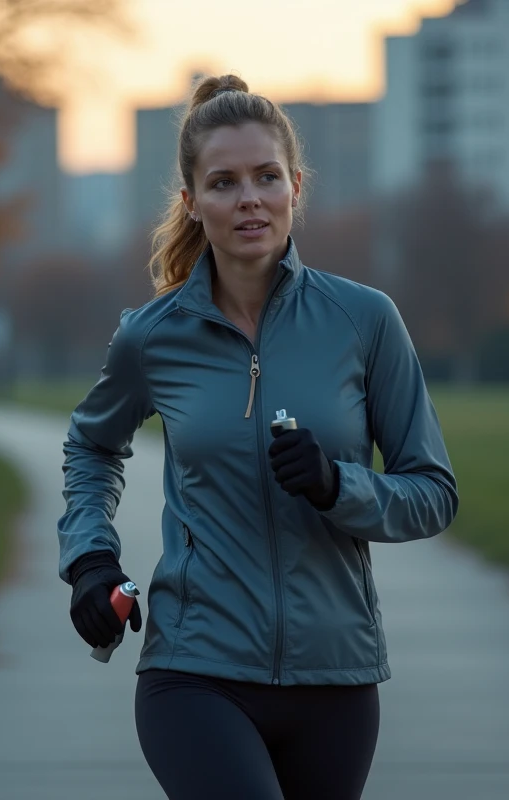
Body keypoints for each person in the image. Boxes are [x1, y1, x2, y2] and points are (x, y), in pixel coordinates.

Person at [56, 74, 459, 800]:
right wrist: (89, 556)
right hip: (194, 671)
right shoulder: (152, 337)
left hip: (336, 678)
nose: (249, 199)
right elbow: (91, 446)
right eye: (224, 182)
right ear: (191, 202)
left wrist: (340, 485)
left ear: (295, 186)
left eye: (267, 177)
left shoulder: (365, 321)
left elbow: (432, 493)